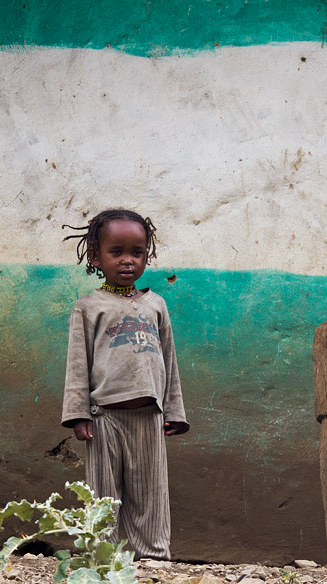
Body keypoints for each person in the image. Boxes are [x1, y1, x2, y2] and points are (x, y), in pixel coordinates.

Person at [61, 208, 189, 561]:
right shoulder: (88, 308)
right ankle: (101, 557)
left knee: (151, 493)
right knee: (102, 494)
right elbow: (77, 363)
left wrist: (174, 410)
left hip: (149, 416)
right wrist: (78, 413)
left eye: (137, 252)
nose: (128, 260)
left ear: (147, 255)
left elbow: (169, 360)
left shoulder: (156, 305)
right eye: (116, 252)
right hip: (104, 417)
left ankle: (154, 556)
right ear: (95, 257)